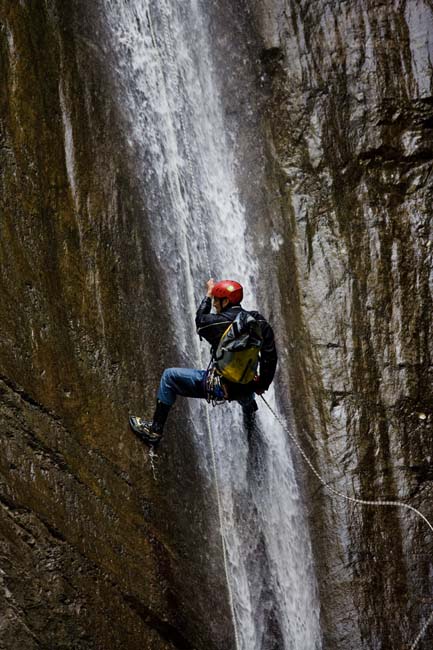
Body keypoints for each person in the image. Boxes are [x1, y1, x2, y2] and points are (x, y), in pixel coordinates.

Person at [129, 278, 278, 446]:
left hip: (221, 387)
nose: (214, 304)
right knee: (247, 397)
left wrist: (208, 294)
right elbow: (270, 356)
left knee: (169, 377)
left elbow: (200, 320)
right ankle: (252, 426)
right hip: (246, 387)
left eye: (216, 300)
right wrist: (261, 384)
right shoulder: (259, 322)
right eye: (213, 300)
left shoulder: (216, 323)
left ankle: (154, 431)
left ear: (226, 301)